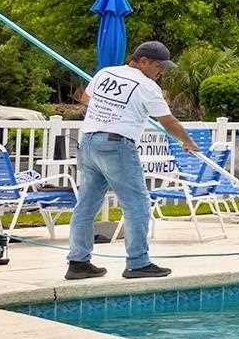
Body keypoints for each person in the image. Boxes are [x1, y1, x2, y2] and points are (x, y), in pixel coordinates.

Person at [65, 41, 196, 281]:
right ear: (143, 61)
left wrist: (114, 107)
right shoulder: (147, 86)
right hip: (117, 145)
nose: (161, 72)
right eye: (158, 66)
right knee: (136, 203)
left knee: (86, 204)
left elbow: (85, 98)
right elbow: (169, 122)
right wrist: (188, 142)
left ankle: (78, 263)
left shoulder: (106, 73)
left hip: (89, 142)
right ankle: (138, 263)